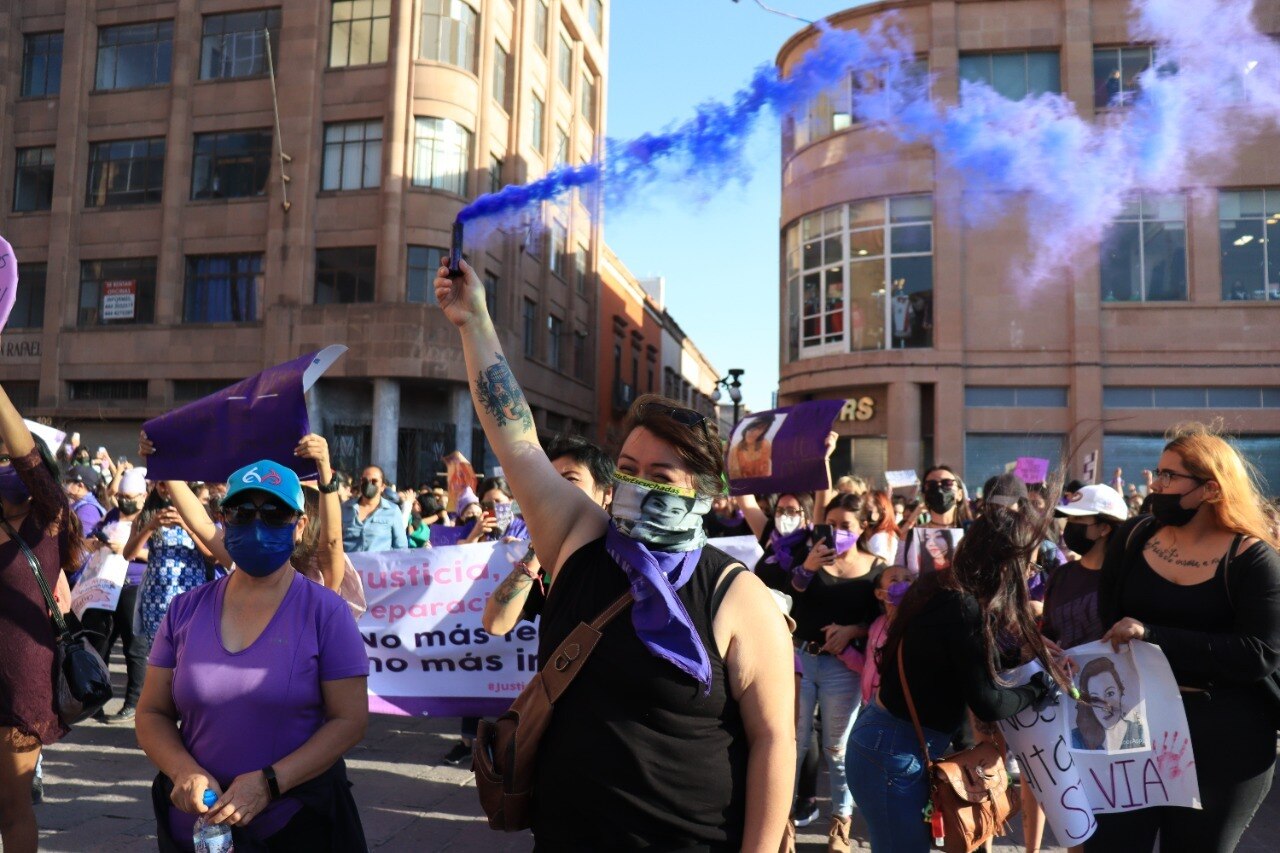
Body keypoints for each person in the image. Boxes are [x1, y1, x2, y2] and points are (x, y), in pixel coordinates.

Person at [436, 259, 794, 850]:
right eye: (627, 470)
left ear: (703, 492)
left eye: (660, 475)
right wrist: (474, 322)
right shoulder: (580, 536)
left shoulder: (739, 596)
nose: (637, 486)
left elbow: (775, 740)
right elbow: (516, 436)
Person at [135, 460, 369, 851]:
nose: (256, 526)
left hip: (293, 824)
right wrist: (183, 771)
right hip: (195, 826)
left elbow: (349, 720)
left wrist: (270, 782)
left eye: (274, 514)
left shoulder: (326, 612)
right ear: (224, 520)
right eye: (242, 513)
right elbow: (152, 712)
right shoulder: (184, 610)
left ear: (298, 527)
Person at [1092, 424, 1280, 852]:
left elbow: (1260, 654)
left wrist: (1154, 636)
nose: (1156, 485)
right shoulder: (1133, 537)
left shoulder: (1254, 560)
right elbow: (1110, 620)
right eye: (1157, 473)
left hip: (1225, 739)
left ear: (1212, 489)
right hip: (1134, 725)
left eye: (1169, 477)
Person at [846, 503, 1067, 853]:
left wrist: (1025, 652)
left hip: (889, 742)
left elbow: (964, 658)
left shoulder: (943, 588)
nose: (1030, 575)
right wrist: (1039, 687)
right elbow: (989, 702)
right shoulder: (961, 606)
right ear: (1003, 561)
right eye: (1028, 565)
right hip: (890, 750)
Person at [1022, 483, 1128, 853]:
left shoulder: (1125, 580)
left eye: (1079, 520)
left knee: (1111, 814)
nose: (1069, 528)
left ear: (1104, 528)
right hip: (1066, 706)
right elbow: (1050, 632)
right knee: (1075, 808)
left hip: (1115, 712)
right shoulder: (1063, 577)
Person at [0, 387, 82, 853]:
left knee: (12, 807)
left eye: (7, 457)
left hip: (21, 684)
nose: (4, 466)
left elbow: (27, 456)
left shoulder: (47, 517)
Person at [789, 492, 884, 852]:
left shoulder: (877, 567)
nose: (839, 531)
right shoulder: (810, 557)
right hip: (799, 661)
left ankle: (840, 828)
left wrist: (854, 631)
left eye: (847, 525)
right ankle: (782, 825)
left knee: (837, 749)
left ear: (862, 528)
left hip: (842, 668)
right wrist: (808, 567)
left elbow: (883, 617)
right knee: (792, 745)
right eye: (832, 524)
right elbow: (789, 597)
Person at [79, 467, 151, 723]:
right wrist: (98, 541)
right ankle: (97, 699)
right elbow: (91, 537)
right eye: (121, 495)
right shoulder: (111, 513)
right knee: (101, 643)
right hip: (106, 585)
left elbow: (158, 554)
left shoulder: (149, 518)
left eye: (130, 496)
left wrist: (131, 550)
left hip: (133, 585)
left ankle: (133, 702)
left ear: (143, 496)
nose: (125, 501)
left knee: (134, 647)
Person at [128, 482, 220, 648]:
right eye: (162, 484)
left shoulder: (199, 514)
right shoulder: (145, 516)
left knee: (189, 648)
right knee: (159, 652)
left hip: (189, 592)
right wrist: (151, 526)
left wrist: (186, 525)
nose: (167, 488)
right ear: (155, 486)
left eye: (170, 483)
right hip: (156, 596)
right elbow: (129, 554)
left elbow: (212, 556)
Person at [1069, 657, 1146, 751]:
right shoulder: (1075, 739)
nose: (1105, 707)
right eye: (1095, 699)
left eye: (1110, 693)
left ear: (1120, 690)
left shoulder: (1141, 732)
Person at [340, 465, 407, 552]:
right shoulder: (345, 508)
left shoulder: (392, 511)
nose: (369, 484)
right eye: (365, 480)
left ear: (382, 486)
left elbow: (401, 547)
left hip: (379, 564)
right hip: (349, 564)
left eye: (374, 481)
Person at [729, 414, 775, 479]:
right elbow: (734, 478)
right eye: (752, 428)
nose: (754, 432)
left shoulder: (765, 445)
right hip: (744, 487)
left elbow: (767, 473)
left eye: (760, 429)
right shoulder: (735, 450)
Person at [861, 489, 901, 563]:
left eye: (866, 507)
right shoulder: (868, 537)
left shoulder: (880, 539)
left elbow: (877, 570)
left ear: (881, 513)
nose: (860, 511)